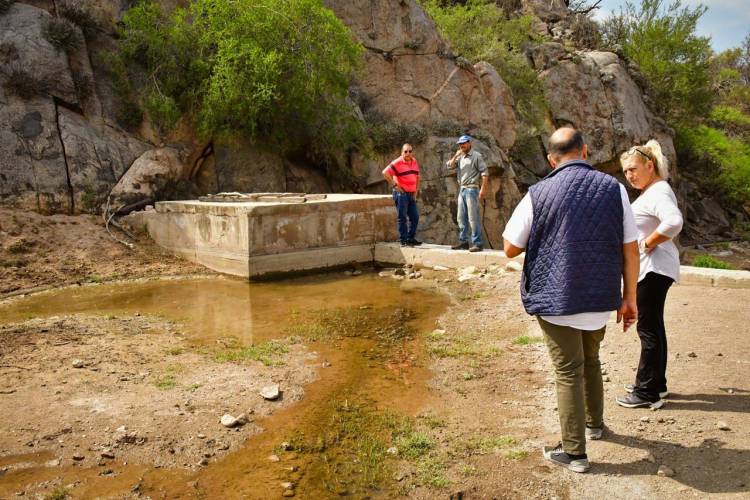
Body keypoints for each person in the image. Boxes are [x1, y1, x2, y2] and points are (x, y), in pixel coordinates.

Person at [502, 127, 639, 473]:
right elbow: (630, 249)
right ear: (585, 150)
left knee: (568, 371)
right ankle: (594, 425)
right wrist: (630, 298)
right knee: (591, 360)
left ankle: (575, 453)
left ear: (551, 159)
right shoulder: (616, 190)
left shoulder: (539, 192)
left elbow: (509, 247)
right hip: (600, 296)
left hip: (555, 297)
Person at [616, 140, 683, 409]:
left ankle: (647, 391)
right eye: (626, 172)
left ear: (649, 165)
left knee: (647, 329)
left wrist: (647, 243)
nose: (630, 175)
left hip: (654, 269)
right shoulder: (654, 191)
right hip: (654, 269)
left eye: (633, 169)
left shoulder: (658, 193)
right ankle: (657, 384)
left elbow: (674, 221)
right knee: (653, 326)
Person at [445, 135, 489, 252]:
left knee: (473, 218)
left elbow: (485, 173)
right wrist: (456, 155)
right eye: (460, 144)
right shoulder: (460, 156)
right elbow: (449, 166)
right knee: (461, 217)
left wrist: (483, 189)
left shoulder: (476, 156)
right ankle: (463, 242)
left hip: (472, 189)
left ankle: (477, 243)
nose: (462, 145)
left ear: (469, 143)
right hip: (462, 189)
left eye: (464, 143)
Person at [383, 143, 422, 247]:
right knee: (402, 217)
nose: (408, 153)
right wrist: (395, 185)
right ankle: (403, 240)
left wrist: (416, 191)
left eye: (410, 151)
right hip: (401, 194)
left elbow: (417, 177)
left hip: (411, 194)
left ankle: (410, 238)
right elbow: (385, 173)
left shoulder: (414, 161)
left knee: (415, 217)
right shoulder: (397, 162)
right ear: (402, 152)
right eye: (405, 151)